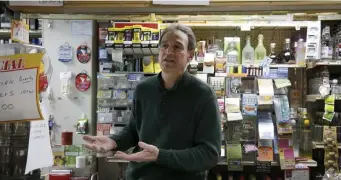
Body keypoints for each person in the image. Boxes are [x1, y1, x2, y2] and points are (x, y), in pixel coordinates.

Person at [83, 24, 221, 180]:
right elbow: (133, 132)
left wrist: (160, 155)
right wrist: (112, 142)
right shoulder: (144, 89)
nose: (169, 52)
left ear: (190, 55)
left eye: (177, 47)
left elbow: (209, 154)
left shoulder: (203, 95)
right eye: (165, 46)